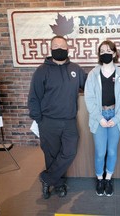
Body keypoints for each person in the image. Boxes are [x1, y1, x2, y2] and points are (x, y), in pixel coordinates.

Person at [28, 35, 87, 199]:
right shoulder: (41, 71)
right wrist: (39, 120)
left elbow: (90, 85)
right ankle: (58, 185)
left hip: (69, 121)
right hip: (48, 122)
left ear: (68, 49)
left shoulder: (75, 69)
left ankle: (47, 178)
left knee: (69, 151)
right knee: (51, 155)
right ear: (51, 49)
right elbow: (34, 97)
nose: (59, 49)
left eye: (62, 46)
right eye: (56, 46)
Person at [84, 40, 120, 196]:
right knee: (100, 152)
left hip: (115, 117)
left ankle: (108, 178)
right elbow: (89, 98)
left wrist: (117, 118)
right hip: (99, 117)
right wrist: (99, 118)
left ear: (114, 53)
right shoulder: (93, 74)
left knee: (112, 151)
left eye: (108, 50)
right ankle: (100, 179)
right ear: (99, 54)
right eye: (102, 50)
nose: (105, 52)